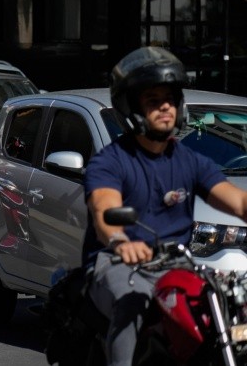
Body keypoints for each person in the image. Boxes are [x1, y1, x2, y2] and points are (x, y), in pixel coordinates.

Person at [83, 46, 247, 366]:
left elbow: (237, 199)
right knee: (134, 302)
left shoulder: (190, 161)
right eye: (153, 100)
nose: (165, 108)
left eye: (170, 99)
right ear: (131, 107)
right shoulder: (111, 161)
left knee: (225, 307)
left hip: (177, 264)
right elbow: (104, 211)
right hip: (115, 263)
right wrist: (120, 241)